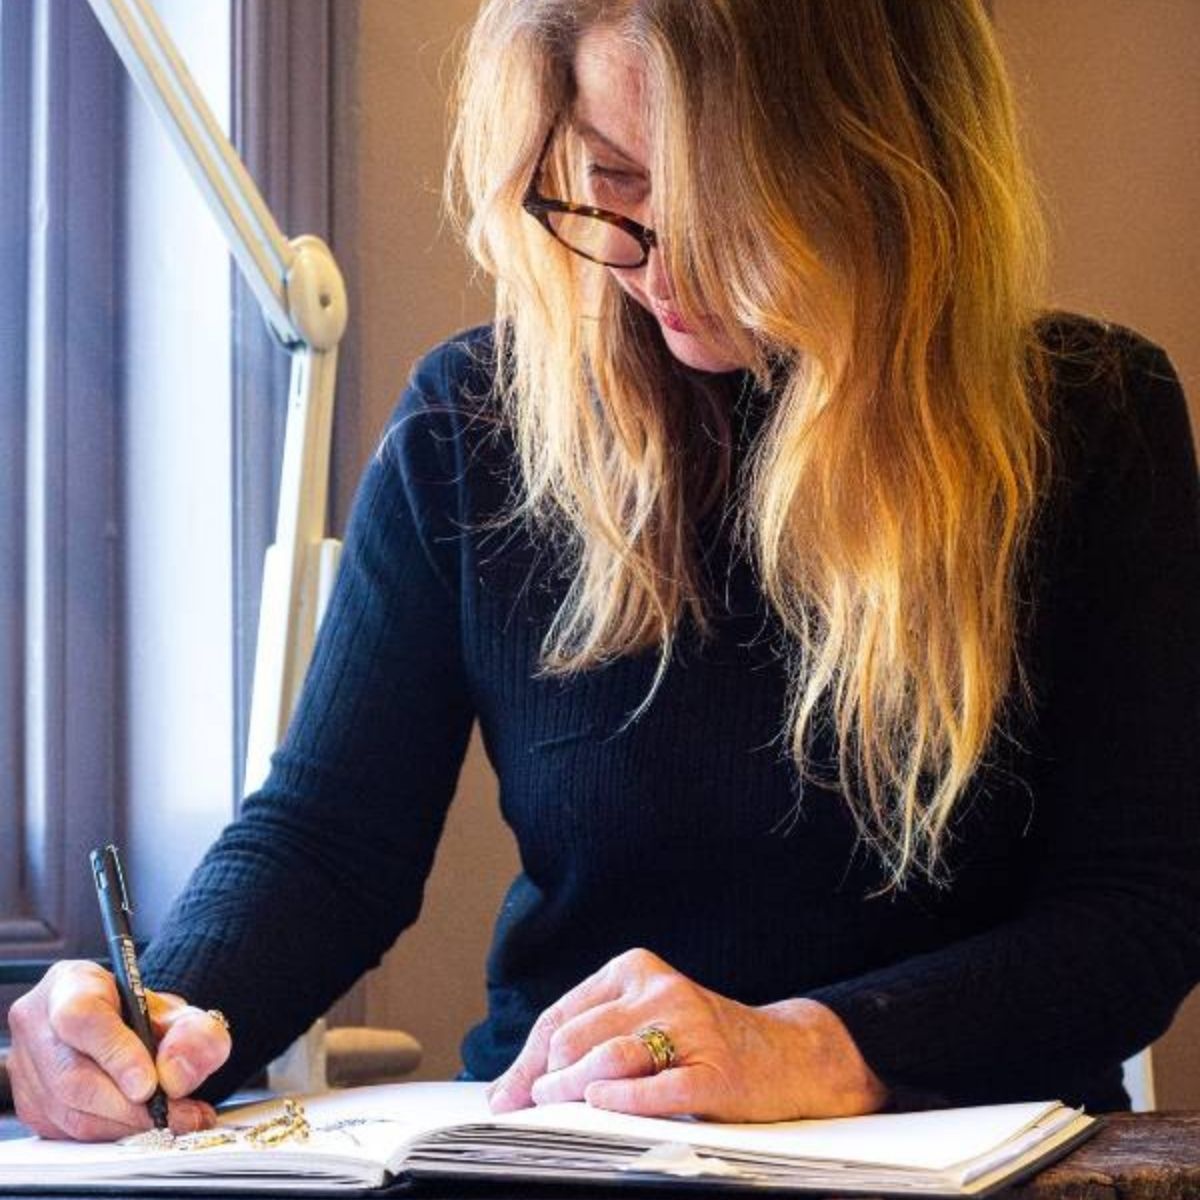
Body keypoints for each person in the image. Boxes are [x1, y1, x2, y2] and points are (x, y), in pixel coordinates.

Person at [9, 0, 1200, 1143]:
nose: (656, 264)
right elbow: (329, 842)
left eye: (734, 208)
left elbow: (1141, 907)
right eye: (615, 183)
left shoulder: (1089, 424)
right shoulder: (473, 423)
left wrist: (806, 1047)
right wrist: (151, 1027)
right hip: (568, 1144)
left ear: (885, 168)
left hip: (960, 1152)